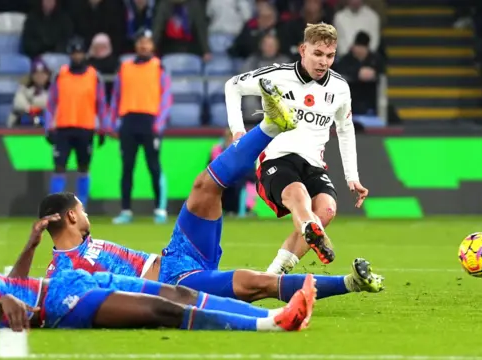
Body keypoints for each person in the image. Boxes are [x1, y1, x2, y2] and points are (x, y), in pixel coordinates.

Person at [32, 84, 384, 304]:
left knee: (204, 186)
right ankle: (350, 283)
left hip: (177, 253)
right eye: (83, 209)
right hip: (176, 285)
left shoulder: (86, 246)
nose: (88, 215)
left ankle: (271, 125)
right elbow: (33, 295)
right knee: (253, 283)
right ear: (71, 217)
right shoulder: (57, 272)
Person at [0, 220, 316, 332]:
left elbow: (13, 285)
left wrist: (31, 246)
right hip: (60, 306)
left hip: (69, 284)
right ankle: (273, 325)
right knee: (160, 310)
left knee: (177, 292)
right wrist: (0, 306)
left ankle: (276, 314)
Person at [224, 22, 369, 275]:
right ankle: (311, 229)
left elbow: (345, 130)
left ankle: (274, 274)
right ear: (303, 50)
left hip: (312, 163)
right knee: (299, 194)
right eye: (318, 54)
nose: (324, 62)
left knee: (326, 209)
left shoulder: (340, 88)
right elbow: (233, 86)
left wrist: (352, 176)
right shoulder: (277, 75)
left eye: (330, 55)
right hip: (276, 159)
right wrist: (238, 132)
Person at [109, 29, 171, 225]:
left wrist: (158, 124)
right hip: (128, 121)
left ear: (152, 46)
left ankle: (160, 210)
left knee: (154, 167)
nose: (144, 45)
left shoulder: (159, 67)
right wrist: (113, 123)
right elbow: (116, 97)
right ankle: (126, 210)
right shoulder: (125, 67)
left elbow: (166, 97)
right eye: (141, 42)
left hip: (149, 122)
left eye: (148, 42)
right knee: (127, 168)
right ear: (136, 45)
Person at [45, 37, 110, 207]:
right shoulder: (60, 74)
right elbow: (51, 102)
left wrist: (103, 128)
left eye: (80, 53)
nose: (77, 56)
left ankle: (82, 207)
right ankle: (56, 208)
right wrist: (48, 126)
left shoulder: (94, 76)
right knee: (59, 167)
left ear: (85, 54)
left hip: (85, 127)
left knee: (83, 168)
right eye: (74, 53)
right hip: (63, 127)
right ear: (69, 54)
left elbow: (101, 104)